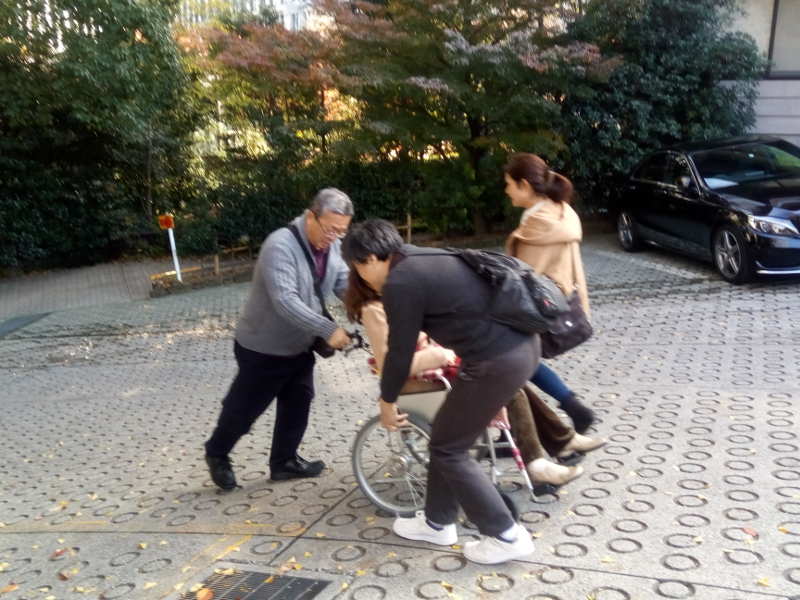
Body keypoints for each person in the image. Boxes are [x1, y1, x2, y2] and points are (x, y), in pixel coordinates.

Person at [341, 218, 537, 565]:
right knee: (447, 440)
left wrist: (387, 401)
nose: (361, 277)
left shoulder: (400, 282)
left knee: (449, 449)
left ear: (368, 259)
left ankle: (507, 535)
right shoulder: (427, 258)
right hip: (519, 350)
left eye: (357, 267)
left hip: (494, 361)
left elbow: (398, 355)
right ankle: (437, 522)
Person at [343, 273, 602, 486]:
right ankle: (540, 461)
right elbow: (389, 364)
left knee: (511, 379)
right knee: (506, 387)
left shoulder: (402, 300)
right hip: (418, 383)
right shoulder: (374, 309)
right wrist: (437, 355)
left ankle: (560, 443)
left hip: (439, 371)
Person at [204, 188, 354, 490]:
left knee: (298, 402)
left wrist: (368, 304)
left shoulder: (331, 246)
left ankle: (284, 462)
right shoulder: (280, 246)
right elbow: (286, 301)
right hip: (263, 347)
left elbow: (342, 281)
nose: (334, 237)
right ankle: (217, 453)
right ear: (311, 216)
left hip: (299, 346)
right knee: (244, 409)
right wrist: (329, 330)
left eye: (341, 232)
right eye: (330, 229)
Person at [503, 153, 596, 434]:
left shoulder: (537, 225)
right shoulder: (558, 212)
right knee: (517, 363)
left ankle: (543, 431)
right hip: (559, 300)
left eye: (508, 183)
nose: (506, 190)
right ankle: (571, 410)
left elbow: (525, 276)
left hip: (540, 305)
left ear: (524, 185)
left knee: (504, 359)